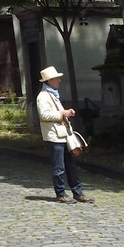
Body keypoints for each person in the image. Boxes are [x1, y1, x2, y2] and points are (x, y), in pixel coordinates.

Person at [36, 65, 93, 203]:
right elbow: (44, 115)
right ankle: (61, 194)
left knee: (70, 165)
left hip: (61, 134)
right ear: (49, 81)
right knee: (59, 166)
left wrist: (66, 113)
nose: (59, 81)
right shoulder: (43, 96)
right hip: (54, 136)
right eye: (56, 79)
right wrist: (63, 113)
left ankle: (77, 192)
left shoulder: (52, 95)